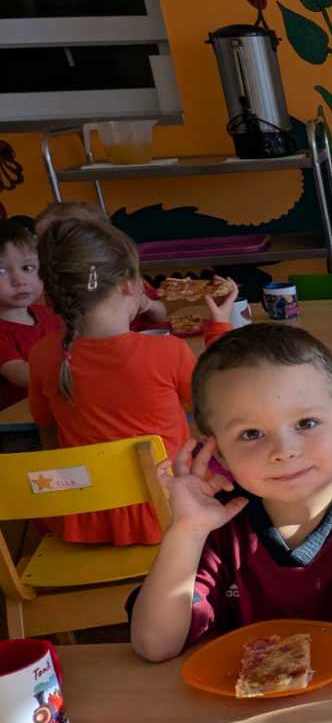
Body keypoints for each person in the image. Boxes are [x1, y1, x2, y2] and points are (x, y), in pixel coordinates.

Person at [130, 323, 332, 662]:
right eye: (251, 433)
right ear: (219, 452)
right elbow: (156, 645)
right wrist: (187, 531)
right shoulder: (214, 528)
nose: (284, 451)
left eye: (306, 423)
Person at [29, 219, 208, 545]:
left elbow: (47, 434)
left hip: (83, 520)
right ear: (128, 285)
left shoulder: (41, 355)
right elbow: (212, 416)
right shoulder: (168, 351)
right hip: (171, 515)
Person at [32, 201, 169, 330]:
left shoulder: (122, 276)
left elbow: (161, 315)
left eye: (57, 241)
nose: (46, 250)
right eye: (42, 242)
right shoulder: (45, 287)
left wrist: (149, 305)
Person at [0, 218, 56, 411]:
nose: (19, 280)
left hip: (52, 404)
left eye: (27, 268)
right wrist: (71, 376)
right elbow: (19, 373)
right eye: (1, 271)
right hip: (14, 420)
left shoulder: (49, 314)